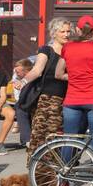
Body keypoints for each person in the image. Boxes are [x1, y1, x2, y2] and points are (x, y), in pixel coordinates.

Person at [61, 15, 93, 159]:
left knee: (69, 139)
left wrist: (75, 76)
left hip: (72, 100)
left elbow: (59, 73)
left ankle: (65, 176)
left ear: (77, 29)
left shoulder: (67, 47)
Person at [21, 18, 71, 162]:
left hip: (65, 99)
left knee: (55, 137)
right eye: (63, 31)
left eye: (68, 31)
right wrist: (23, 81)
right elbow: (37, 70)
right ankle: (37, 173)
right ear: (54, 33)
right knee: (41, 136)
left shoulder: (70, 49)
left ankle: (50, 173)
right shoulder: (46, 50)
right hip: (47, 99)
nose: (66, 34)